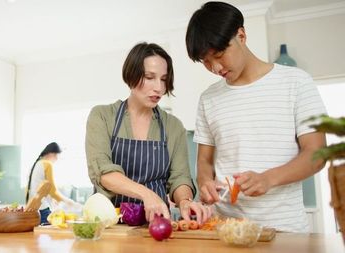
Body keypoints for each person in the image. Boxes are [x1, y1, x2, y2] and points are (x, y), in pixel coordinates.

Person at [186, 2, 327, 232]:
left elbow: (317, 153)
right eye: (206, 62)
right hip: (227, 230)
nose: (215, 67)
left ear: (241, 35)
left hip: (285, 231)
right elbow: (205, 161)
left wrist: (267, 178)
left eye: (219, 55)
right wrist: (205, 184)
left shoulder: (296, 82)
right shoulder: (208, 98)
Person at [85, 42, 212, 224]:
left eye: (163, 79)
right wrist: (147, 194)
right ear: (132, 74)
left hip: (157, 225)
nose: (159, 88)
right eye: (150, 77)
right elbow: (103, 173)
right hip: (109, 226)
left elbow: (180, 177)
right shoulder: (103, 116)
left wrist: (185, 201)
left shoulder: (173, 126)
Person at [26, 142, 74, 225]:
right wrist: (69, 202)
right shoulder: (47, 164)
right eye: (57, 156)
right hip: (44, 210)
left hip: (33, 210)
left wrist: (53, 199)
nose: (56, 159)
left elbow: (31, 189)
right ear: (52, 154)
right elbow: (53, 191)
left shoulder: (36, 164)